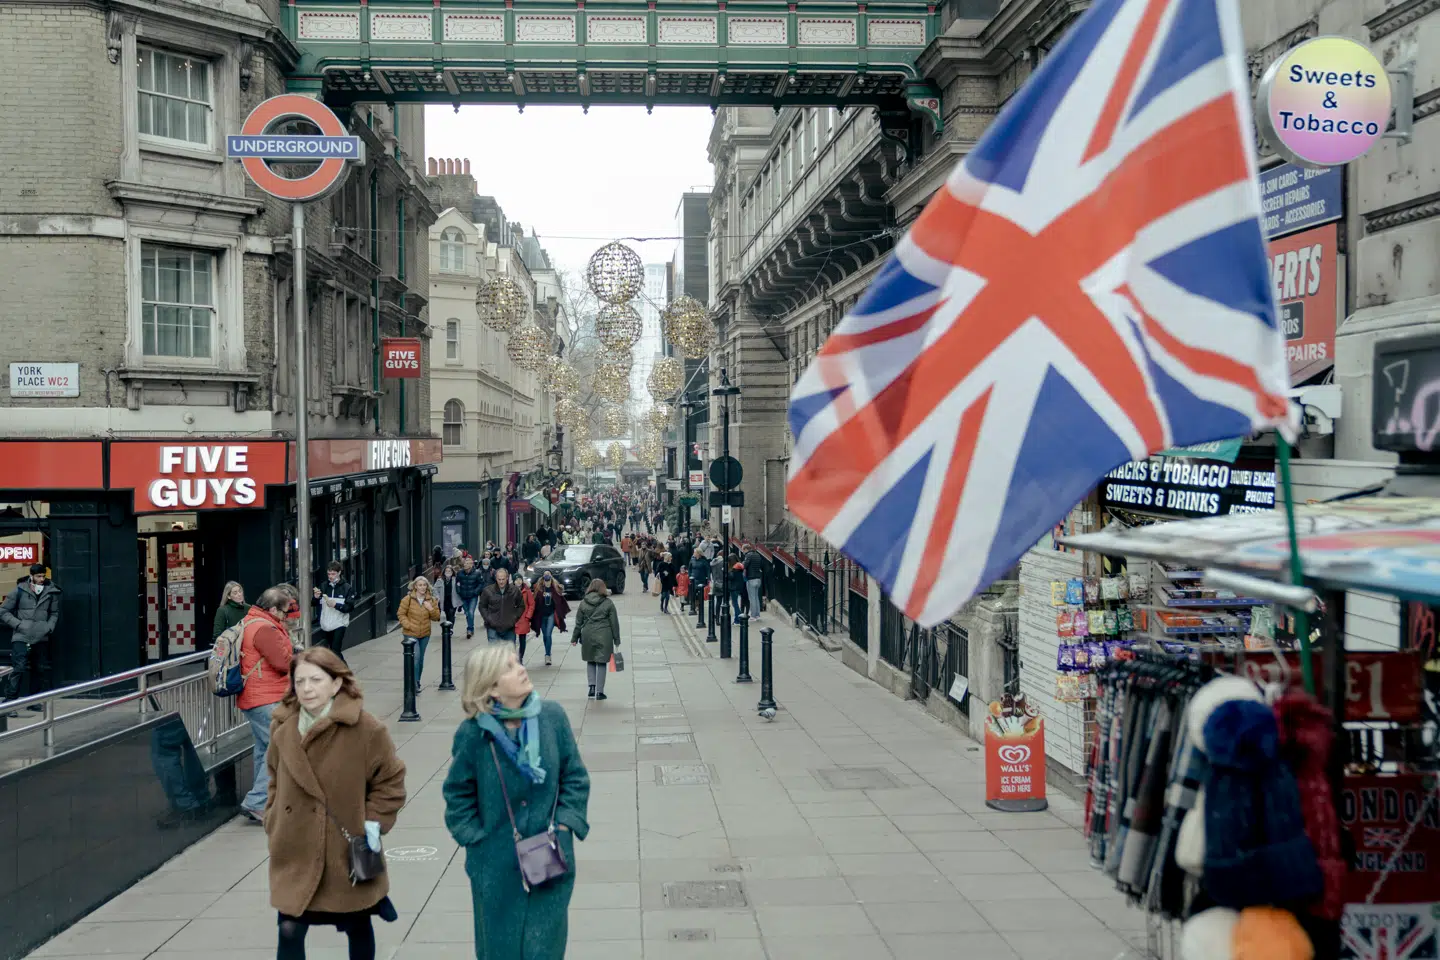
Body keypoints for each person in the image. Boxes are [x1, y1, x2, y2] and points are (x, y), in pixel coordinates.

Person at [442, 643, 590, 960]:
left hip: (549, 860)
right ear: (491, 688)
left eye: (518, 662)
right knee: (500, 950)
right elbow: (457, 794)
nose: (522, 669)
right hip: (495, 869)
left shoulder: (552, 718)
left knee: (545, 949)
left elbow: (575, 778)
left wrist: (565, 827)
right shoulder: (473, 734)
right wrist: (477, 842)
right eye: (509, 667)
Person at [265, 647, 406, 960]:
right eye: (300, 681)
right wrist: (273, 817)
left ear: (336, 683)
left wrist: (372, 824)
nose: (307, 688)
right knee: (289, 929)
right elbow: (273, 776)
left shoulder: (366, 729)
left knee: (357, 923)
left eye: (316, 680)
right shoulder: (282, 727)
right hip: (295, 848)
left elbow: (391, 780)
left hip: (343, 850)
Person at [237, 585, 295, 824]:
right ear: (272, 609)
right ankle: (257, 802)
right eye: (284, 612)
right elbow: (281, 662)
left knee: (265, 748)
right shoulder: (264, 628)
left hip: (256, 696)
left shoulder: (252, 621)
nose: (286, 616)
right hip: (265, 697)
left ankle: (264, 801)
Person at [0, 563, 60, 706]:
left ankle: (33, 702)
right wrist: (18, 625)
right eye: (38, 576)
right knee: (19, 668)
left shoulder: (51, 592)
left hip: (41, 636)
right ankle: (10, 702)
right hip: (21, 636)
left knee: (39, 669)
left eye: (43, 576)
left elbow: (54, 613)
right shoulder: (20, 590)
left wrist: (48, 627)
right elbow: (3, 611)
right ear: (31, 576)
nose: (41, 579)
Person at [573, 579, 621, 702]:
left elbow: (578, 622)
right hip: (604, 636)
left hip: (588, 635)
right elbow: (614, 623)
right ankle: (600, 692)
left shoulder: (583, 603)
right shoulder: (608, 603)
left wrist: (574, 638)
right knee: (601, 662)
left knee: (590, 660)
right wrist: (616, 639)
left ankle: (591, 688)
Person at [397, 576, 441, 693]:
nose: (422, 587)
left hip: (425, 634)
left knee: (420, 660)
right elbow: (401, 614)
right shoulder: (408, 599)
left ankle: (417, 681)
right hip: (410, 633)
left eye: (424, 585)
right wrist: (407, 625)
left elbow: (436, 617)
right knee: (415, 658)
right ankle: (413, 683)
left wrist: (430, 608)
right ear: (415, 586)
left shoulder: (431, 600)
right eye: (420, 585)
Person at [312, 561, 356, 658]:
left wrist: (336, 605)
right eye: (329, 574)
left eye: (333, 574)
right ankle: (337, 667)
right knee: (332, 651)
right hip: (326, 623)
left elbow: (350, 607)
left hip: (340, 623)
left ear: (339, 572)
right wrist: (316, 597)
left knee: (335, 650)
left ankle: (343, 668)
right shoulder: (324, 586)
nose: (330, 576)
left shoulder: (347, 588)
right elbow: (313, 603)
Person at [531, 572, 570, 667]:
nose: (547, 576)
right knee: (545, 635)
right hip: (541, 615)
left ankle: (547, 655)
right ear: (543, 577)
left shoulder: (555, 588)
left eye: (548, 574)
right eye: (545, 574)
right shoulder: (539, 588)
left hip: (551, 615)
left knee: (548, 634)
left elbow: (560, 600)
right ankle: (547, 651)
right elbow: (535, 601)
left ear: (551, 576)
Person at [479, 567, 525, 643]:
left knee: (509, 650)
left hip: (509, 627)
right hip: (492, 627)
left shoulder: (514, 590)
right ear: (496, 578)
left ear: (507, 578)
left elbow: (521, 605)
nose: (501, 582)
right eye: (499, 579)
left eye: (503, 579)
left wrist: (514, 618)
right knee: (494, 650)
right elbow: (482, 606)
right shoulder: (487, 591)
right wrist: (488, 618)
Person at [455, 556, 487, 640]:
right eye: (465, 563)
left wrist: (475, 592)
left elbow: (481, 583)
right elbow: (457, 583)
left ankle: (469, 629)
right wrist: (459, 591)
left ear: (471, 565)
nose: (465, 564)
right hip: (463, 596)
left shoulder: (477, 573)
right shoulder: (460, 573)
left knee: (471, 612)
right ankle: (471, 628)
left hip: (473, 596)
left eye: (467, 563)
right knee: (467, 613)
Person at [513, 577, 536, 664]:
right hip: (512, 619)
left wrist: (528, 616)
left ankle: (520, 657)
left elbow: (531, 604)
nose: (518, 581)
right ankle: (513, 659)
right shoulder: (510, 590)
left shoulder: (527, 591)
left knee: (522, 639)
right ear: (514, 581)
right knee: (511, 640)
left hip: (523, 619)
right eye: (516, 580)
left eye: (520, 579)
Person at [742, 544, 767, 622]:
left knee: (752, 598)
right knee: (756, 598)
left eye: (743, 550)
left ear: (746, 549)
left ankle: (753, 616)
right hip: (758, 578)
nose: (743, 551)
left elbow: (744, 565)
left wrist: (742, 563)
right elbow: (761, 565)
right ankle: (757, 615)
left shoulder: (748, 555)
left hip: (751, 578)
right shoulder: (757, 555)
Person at [686, 551, 710, 615]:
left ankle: (699, 605)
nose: (693, 553)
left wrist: (708, 578)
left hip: (701, 579)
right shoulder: (692, 560)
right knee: (693, 593)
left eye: (695, 552)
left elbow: (708, 570)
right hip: (693, 580)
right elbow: (689, 568)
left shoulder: (704, 561)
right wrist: (689, 576)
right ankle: (695, 606)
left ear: (698, 553)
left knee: (700, 594)